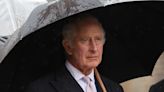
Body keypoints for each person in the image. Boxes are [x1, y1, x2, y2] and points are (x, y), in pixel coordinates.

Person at [25, 14, 123, 92]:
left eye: (98, 39)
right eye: (84, 40)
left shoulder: (114, 88)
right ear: (68, 47)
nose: (94, 48)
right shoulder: (41, 89)